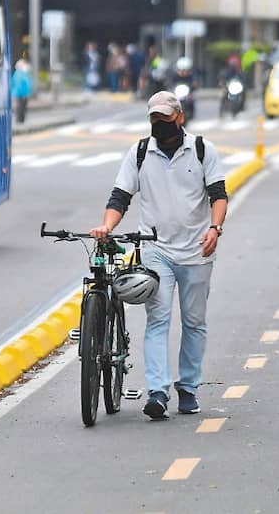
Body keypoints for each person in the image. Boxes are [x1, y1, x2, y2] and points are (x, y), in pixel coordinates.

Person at [90, 91, 228, 420]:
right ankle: (157, 391)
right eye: (154, 118)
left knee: (194, 323)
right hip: (156, 251)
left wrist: (215, 229)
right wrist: (107, 225)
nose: (159, 124)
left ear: (179, 118)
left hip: (196, 251)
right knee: (158, 320)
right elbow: (120, 196)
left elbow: (219, 195)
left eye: (165, 118)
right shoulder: (140, 152)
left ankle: (189, 388)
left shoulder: (202, 150)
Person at [11, 56, 32, 124]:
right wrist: (25, 93)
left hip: (21, 93)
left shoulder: (19, 73)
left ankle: (20, 120)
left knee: (21, 107)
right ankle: (20, 120)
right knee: (21, 107)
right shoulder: (21, 74)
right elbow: (25, 84)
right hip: (22, 94)